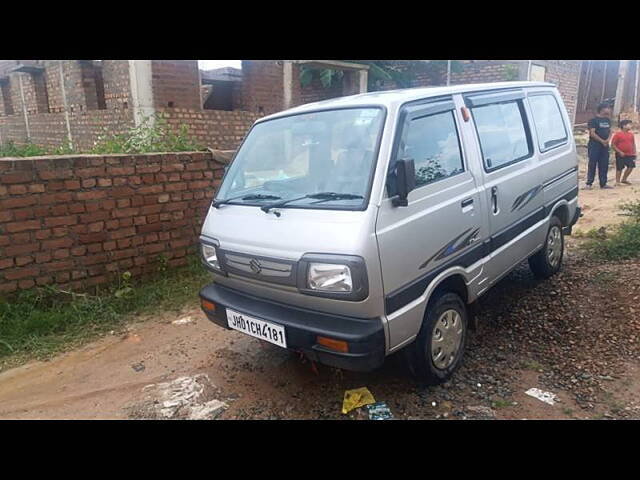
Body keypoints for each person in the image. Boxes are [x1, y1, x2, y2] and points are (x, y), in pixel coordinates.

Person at [586, 103, 613, 189]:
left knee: (604, 164)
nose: (609, 110)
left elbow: (610, 131)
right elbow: (592, 133)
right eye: (608, 108)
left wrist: (608, 140)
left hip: (605, 146)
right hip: (595, 145)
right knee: (592, 163)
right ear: (602, 109)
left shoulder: (608, 120)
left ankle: (603, 183)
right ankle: (589, 183)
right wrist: (601, 141)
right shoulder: (593, 121)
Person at [611, 119, 636, 185]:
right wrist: (619, 152)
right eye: (629, 124)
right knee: (619, 167)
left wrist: (634, 152)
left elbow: (633, 143)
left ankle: (624, 179)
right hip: (620, 154)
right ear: (624, 126)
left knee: (631, 166)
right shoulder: (618, 134)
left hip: (630, 154)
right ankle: (617, 181)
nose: (631, 126)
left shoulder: (631, 134)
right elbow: (613, 145)